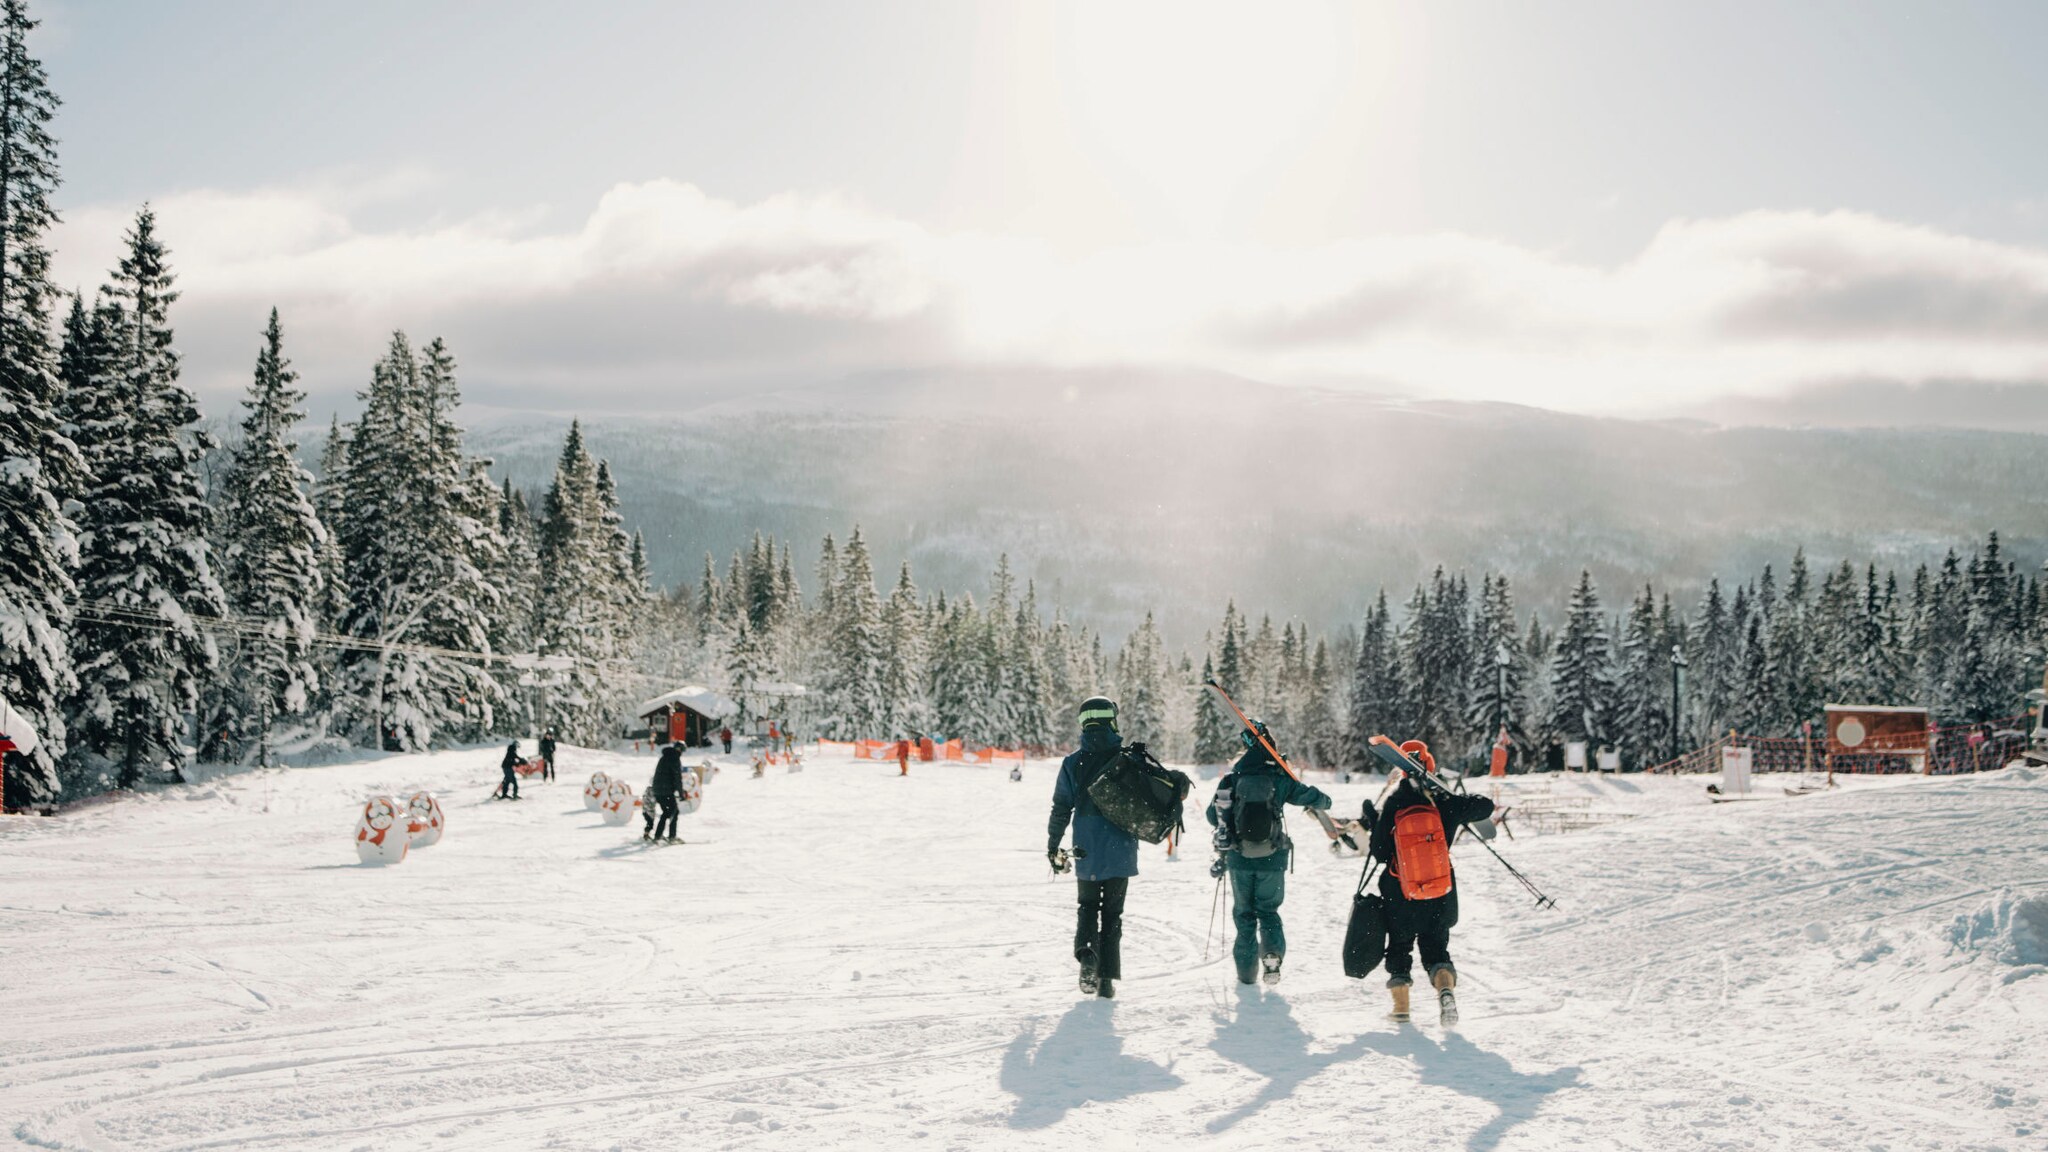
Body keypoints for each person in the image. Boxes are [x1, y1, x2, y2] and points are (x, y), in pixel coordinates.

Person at [1363, 739, 1495, 1024]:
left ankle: (1401, 1008)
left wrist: (1373, 820)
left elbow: (1380, 853)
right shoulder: (1445, 803)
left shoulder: (1395, 803)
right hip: (1438, 889)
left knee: (1399, 948)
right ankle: (1445, 989)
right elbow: (1486, 806)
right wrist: (1455, 798)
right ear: (1431, 767)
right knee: (1436, 950)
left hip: (1400, 891)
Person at [1205, 720, 1332, 987]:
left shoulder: (1232, 779)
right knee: (1268, 912)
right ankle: (1272, 954)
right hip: (1272, 858)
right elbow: (1313, 798)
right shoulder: (1279, 779)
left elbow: (1212, 816)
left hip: (1239, 859)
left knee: (1244, 915)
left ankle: (1246, 975)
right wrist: (1325, 800)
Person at [1047, 696, 1138, 999]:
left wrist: (1053, 844)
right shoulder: (1128, 759)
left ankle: (1088, 957)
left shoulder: (1073, 763)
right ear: (1112, 720)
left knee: (1087, 907)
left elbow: (1061, 807)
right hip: (1121, 847)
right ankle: (1106, 981)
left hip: (1086, 847)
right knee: (1112, 915)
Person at [651, 743, 685, 843]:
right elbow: (677, 778)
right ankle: (672, 837)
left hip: (657, 790)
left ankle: (658, 836)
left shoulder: (663, 757)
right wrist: (681, 794)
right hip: (666, 791)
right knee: (674, 811)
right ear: (679, 750)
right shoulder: (675, 759)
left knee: (666, 812)